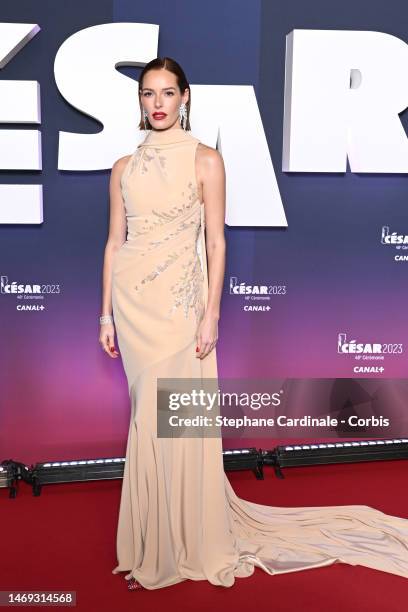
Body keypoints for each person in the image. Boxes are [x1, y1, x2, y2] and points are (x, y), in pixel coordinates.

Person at [100, 57, 408, 591]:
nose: (157, 103)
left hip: (179, 308)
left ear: (185, 98)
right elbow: (113, 241)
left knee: (173, 418)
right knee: (145, 421)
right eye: (149, 94)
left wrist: (211, 312)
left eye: (167, 93)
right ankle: (153, 543)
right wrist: (105, 312)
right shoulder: (123, 167)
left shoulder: (206, 160)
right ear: (140, 101)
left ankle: (182, 545)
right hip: (132, 307)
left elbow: (217, 242)